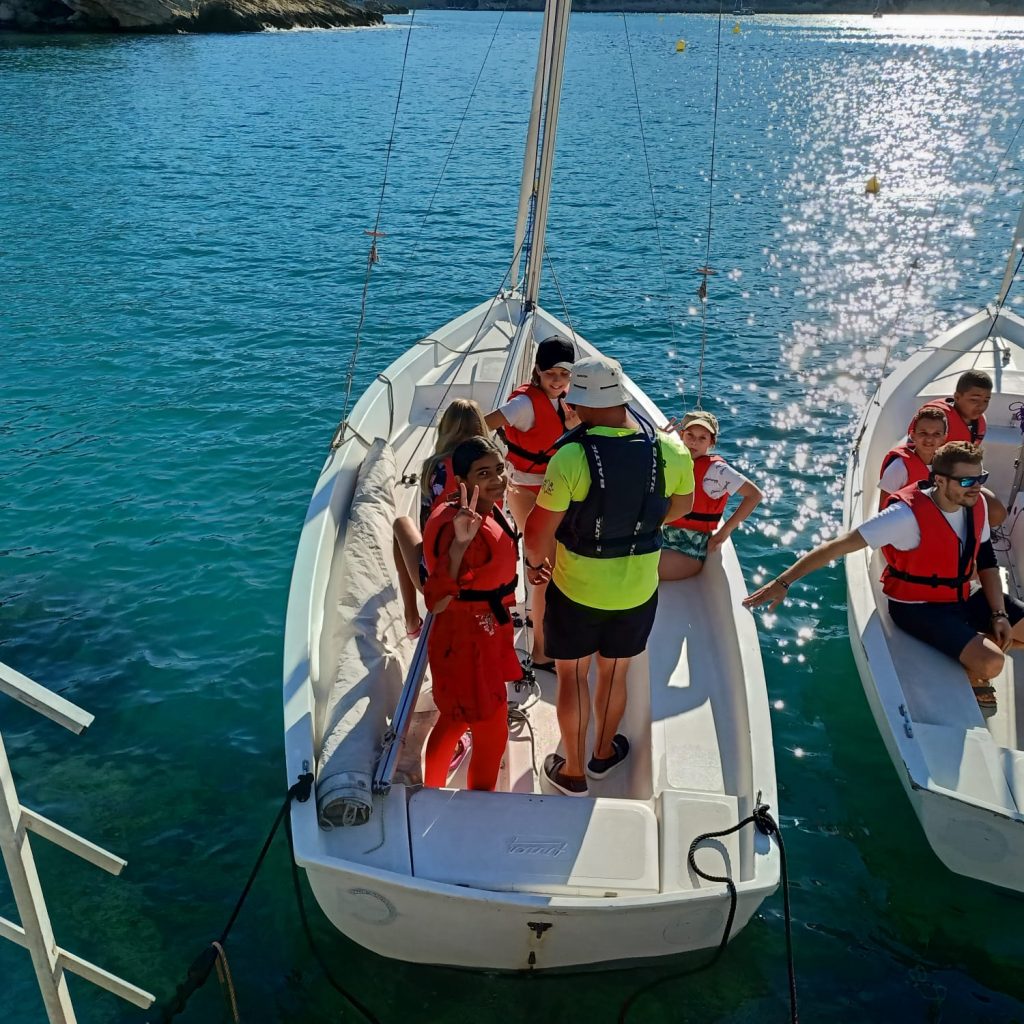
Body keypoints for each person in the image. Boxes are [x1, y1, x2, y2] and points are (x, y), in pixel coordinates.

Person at [523, 355, 695, 796]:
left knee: (573, 677)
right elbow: (682, 506)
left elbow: (537, 534)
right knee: (614, 674)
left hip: (576, 591)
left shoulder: (571, 457)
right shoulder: (670, 449)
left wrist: (535, 564)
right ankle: (602, 754)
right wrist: (635, 527)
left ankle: (573, 772)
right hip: (636, 592)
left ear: (578, 404)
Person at [744, 441, 1024, 710]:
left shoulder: (976, 504)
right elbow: (837, 546)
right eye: (967, 481)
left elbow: (987, 562)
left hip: (962, 594)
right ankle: (973, 665)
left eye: (981, 478)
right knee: (992, 663)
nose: (976, 487)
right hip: (918, 607)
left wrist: (999, 613)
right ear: (939, 480)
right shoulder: (903, 516)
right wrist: (783, 582)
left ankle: (972, 640)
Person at [421, 437, 522, 791]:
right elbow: (436, 602)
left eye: (499, 469)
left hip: (483, 633)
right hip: (467, 643)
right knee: (491, 732)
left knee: (454, 719)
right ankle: (480, 805)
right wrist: (459, 546)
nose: (497, 479)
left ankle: (432, 788)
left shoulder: (483, 508)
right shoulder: (460, 527)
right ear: (461, 480)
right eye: (484, 473)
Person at [485, 336, 580, 671]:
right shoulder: (524, 404)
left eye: (564, 374)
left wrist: (574, 427)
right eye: (550, 373)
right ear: (537, 370)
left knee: (552, 565)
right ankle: (541, 652)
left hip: (555, 491)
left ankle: (535, 619)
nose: (557, 380)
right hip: (526, 491)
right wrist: (491, 469)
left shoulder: (567, 401)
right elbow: (482, 424)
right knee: (544, 571)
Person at [393, 398, 489, 638]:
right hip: (485, 578)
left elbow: (429, 525)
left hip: (441, 581)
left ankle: (412, 620)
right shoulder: (491, 470)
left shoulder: (437, 468)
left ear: (446, 429)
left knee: (401, 525)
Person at [659, 410, 763, 581]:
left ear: (711, 442)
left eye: (702, 438)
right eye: (690, 435)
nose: (694, 442)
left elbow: (754, 495)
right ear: (681, 435)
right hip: (661, 536)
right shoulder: (674, 458)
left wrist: (724, 532)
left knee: (640, 569)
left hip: (688, 552)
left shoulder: (716, 470)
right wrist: (657, 441)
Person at [878, 405, 948, 507]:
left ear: (944, 438)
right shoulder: (899, 468)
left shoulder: (947, 467)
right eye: (923, 433)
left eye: (936, 434)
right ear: (913, 436)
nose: (929, 439)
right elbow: (883, 508)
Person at [909, 369, 991, 444]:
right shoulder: (934, 417)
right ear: (957, 397)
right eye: (974, 400)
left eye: (986, 401)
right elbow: (913, 448)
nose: (981, 406)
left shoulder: (980, 422)